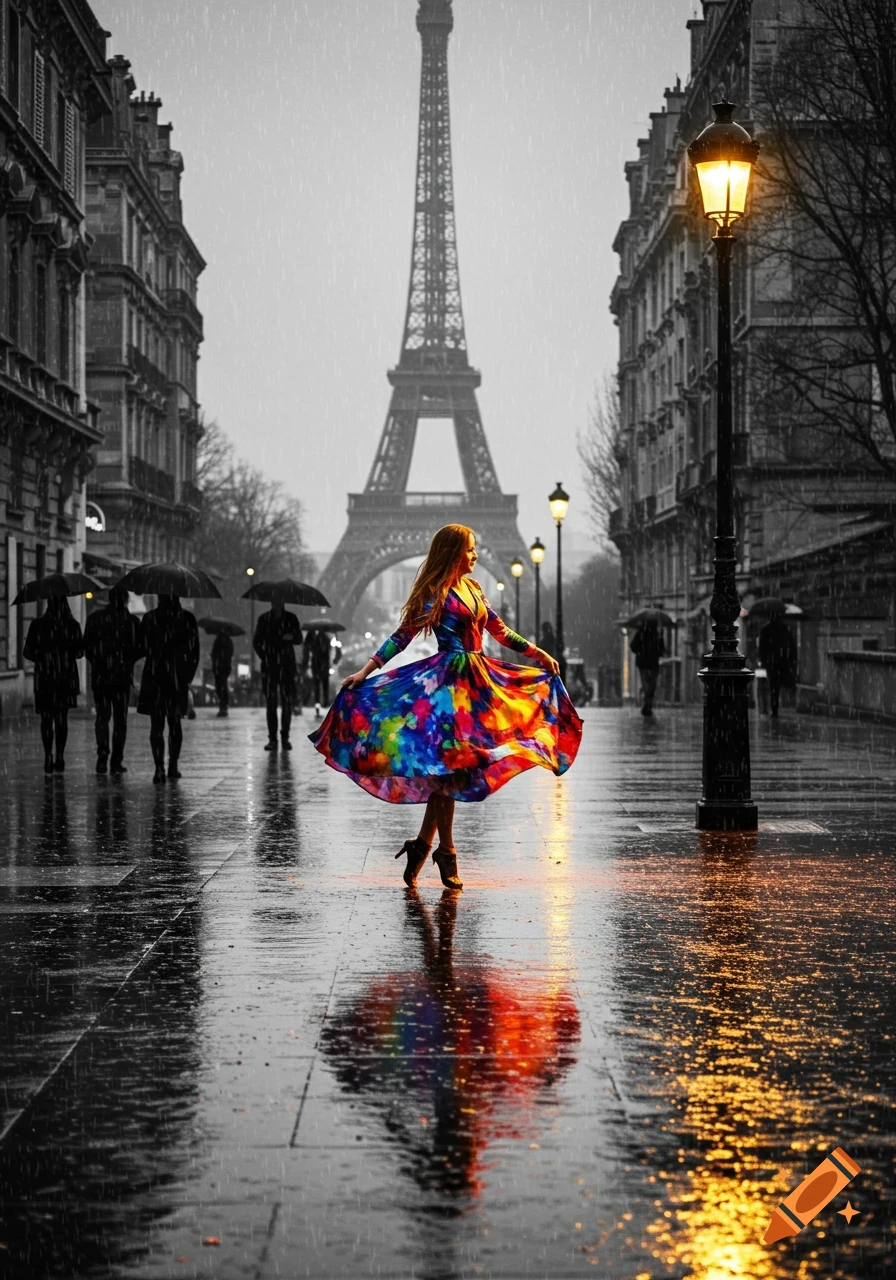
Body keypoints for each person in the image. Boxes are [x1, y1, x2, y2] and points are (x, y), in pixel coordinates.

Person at [310, 524, 583, 891]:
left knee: (450, 771)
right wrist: (365, 671)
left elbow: (500, 632)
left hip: (476, 686)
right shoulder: (435, 593)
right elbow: (402, 637)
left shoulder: (474, 589)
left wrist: (538, 654)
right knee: (450, 768)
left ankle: (422, 845)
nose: (475, 555)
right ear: (454, 552)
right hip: (445, 691)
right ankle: (446, 850)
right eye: (470, 550)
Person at [137, 594, 200, 783]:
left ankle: (159, 768)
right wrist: (187, 676)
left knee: (157, 724)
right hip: (177, 678)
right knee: (175, 723)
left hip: (155, 676)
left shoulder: (150, 618)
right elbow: (194, 651)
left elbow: (141, 646)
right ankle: (173, 765)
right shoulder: (187, 618)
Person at [83, 587, 144, 774]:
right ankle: (116, 761)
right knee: (120, 720)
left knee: (102, 717)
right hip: (122, 679)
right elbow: (141, 649)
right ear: (126, 601)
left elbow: (87, 647)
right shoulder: (132, 622)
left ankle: (102, 755)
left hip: (101, 677)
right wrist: (126, 661)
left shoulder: (95, 619)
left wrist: (99, 662)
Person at [23, 595, 84, 774]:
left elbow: (28, 653)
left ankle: (48, 755)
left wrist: (43, 657)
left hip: (44, 678)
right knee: (61, 719)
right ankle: (60, 755)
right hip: (65, 679)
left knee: (46, 719)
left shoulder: (37, 625)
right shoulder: (73, 626)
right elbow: (80, 653)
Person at [253, 601, 302, 749]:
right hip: (271, 667)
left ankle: (284, 737)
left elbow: (299, 639)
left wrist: (291, 636)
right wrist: (265, 657)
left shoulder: (290, 619)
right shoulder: (264, 619)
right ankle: (273, 738)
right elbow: (257, 642)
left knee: (286, 704)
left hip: (285, 667)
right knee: (271, 703)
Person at [758, 614, 798, 717]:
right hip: (781, 661)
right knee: (776, 685)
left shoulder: (766, 629)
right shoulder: (783, 628)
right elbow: (791, 645)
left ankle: (774, 707)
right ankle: (775, 707)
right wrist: (791, 659)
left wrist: (763, 661)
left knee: (774, 686)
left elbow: (762, 648)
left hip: (773, 663)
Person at [629, 619, 664, 716]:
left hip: (643, 662)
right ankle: (648, 703)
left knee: (646, 683)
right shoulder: (656, 634)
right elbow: (661, 649)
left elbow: (633, 646)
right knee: (652, 684)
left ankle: (647, 703)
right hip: (653, 661)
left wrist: (640, 651)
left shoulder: (640, 633)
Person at [303, 628, 332, 717]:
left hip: (318, 665)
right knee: (322, 686)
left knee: (319, 686)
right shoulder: (324, 638)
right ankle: (322, 704)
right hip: (320, 665)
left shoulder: (315, 639)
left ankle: (320, 704)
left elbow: (307, 650)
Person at [211, 632, 234, 717]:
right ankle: (223, 705)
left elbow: (215, 654)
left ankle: (223, 706)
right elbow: (214, 654)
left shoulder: (226, 641)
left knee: (221, 686)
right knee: (220, 686)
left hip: (223, 666)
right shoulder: (224, 641)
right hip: (222, 666)